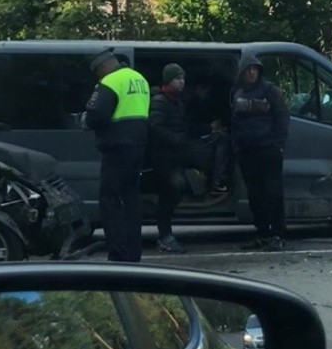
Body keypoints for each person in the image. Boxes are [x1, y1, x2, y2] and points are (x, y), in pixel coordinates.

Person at [148, 64, 228, 254]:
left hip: (178, 153)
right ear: (168, 81)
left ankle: (214, 184)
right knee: (172, 191)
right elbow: (154, 128)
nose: (181, 82)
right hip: (165, 156)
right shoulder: (160, 101)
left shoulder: (177, 101)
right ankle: (165, 237)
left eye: (183, 78)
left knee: (219, 142)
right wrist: (177, 140)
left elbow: (186, 128)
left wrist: (210, 129)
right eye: (177, 78)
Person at [82, 51, 149, 263]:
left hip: (117, 149)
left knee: (110, 202)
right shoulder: (139, 79)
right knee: (131, 202)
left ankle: (118, 256)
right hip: (138, 148)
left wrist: (84, 120)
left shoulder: (111, 81)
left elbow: (96, 116)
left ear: (101, 67)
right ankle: (133, 255)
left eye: (97, 73)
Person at [230, 55, 290, 251]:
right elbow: (234, 120)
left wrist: (278, 144)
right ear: (242, 72)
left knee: (274, 194)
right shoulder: (237, 92)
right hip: (247, 151)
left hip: (268, 150)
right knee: (255, 196)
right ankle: (262, 233)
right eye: (248, 69)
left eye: (255, 69)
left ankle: (278, 234)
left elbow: (282, 117)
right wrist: (236, 146)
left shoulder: (270, 90)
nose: (252, 72)